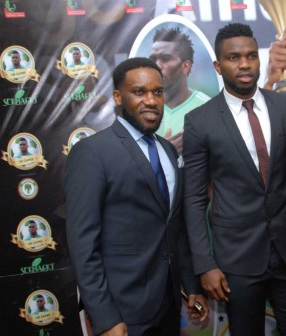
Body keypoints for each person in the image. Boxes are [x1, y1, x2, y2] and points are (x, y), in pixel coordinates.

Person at [182, 23, 286, 336]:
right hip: (236, 260)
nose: (244, 64)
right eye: (234, 57)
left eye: (251, 56)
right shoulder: (200, 121)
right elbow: (194, 198)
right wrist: (205, 264)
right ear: (218, 65)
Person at [65, 57, 208, 336]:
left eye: (157, 92)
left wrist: (192, 288)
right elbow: (83, 245)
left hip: (168, 307)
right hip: (122, 312)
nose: (151, 101)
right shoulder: (92, 153)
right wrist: (105, 317)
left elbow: (175, 230)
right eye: (139, 92)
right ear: (118, 97)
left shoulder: (168, 150)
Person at [149, 27, 210, 152]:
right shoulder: (143, 109)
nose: (156, 66)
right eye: (153, 59)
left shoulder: (208, 109)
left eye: (165, 59)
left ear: (185, 66)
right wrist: (161, 153)